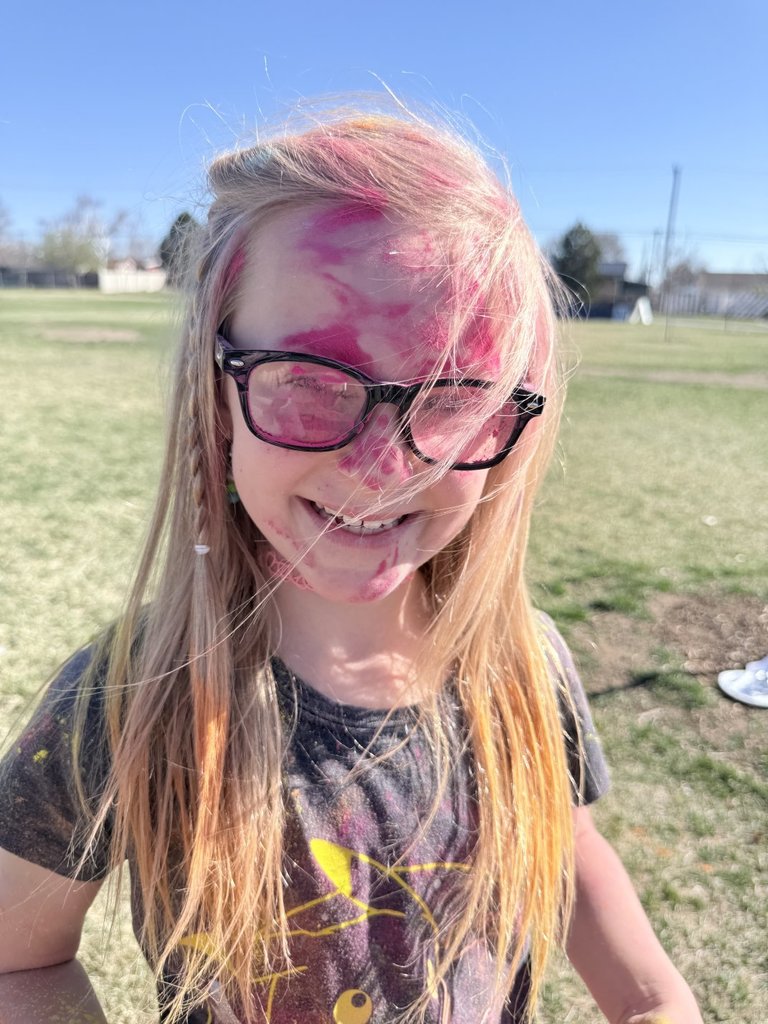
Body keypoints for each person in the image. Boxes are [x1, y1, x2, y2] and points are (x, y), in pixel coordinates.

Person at [0, 104, 703, 1024]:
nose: (382, 470)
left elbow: (566, 849)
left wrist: (654, 999)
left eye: (452, 396)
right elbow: (17, 962)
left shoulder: (529, 670)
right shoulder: (128, 697)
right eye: (306, 379)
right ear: (213, 392)